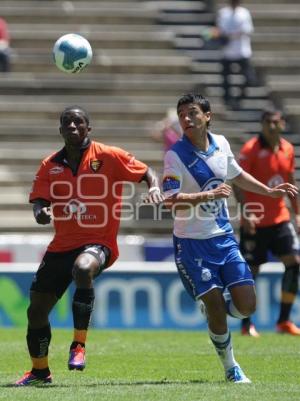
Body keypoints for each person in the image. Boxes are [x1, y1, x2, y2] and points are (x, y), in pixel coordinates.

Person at [15, 106, 164, 386]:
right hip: (61, 246)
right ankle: (39, 372)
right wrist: (40, 212)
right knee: (35, 312)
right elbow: (39, 201)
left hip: (99, 243)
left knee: (83, 268)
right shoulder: (49, 164)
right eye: (67, 122)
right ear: (60, 130)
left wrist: (154, 187)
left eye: (78, 121)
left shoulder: (108, 156)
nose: (72, 126)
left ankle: (79, 345)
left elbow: (147, 172)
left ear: (88, 128)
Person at [162, 93, 298, 383]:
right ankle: (230, 367)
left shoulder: (221, 143)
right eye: (181, 114)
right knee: (214, 304)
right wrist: (207, 195)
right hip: (191, 243)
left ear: (207, 116)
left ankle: (214, 309)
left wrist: (270, 192)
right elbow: (170, 201)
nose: (186, 118)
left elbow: (237, 175)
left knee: (247, 306)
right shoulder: (175, 155)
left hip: (224, 239)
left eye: (192, 113)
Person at [234, 109, 300, 337]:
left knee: (294, 263)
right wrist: (247, 213)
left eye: (275, 122)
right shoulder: (250, 149)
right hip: (255, 222)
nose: (271, 126)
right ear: (262, 124)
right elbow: (237, 183)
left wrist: (297, 214)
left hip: (280, 219)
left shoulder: (288, 149)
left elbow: (290, 182)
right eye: (267, 122)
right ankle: (246, 325)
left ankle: (283, 321)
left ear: (282, 124)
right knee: (250, 273)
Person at [216, 0, 256, 109]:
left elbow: (247, 30)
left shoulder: (244, 13)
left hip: (242, 51)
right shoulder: (223, 13)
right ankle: (228, 102)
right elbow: (220, 30)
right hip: (227, 51)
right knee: (225, 80)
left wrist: (231, 35)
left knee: (250, 79)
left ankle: (239, 98)